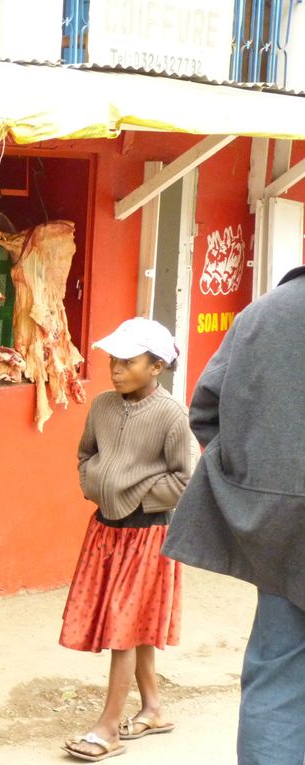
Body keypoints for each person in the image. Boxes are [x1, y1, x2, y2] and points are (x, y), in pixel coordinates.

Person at [162, 266, 305, 765]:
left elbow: (204, 411)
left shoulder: (263, 313)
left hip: (282, 530)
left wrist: (259, 481)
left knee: (278, 675)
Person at [59, 318, 199, 762]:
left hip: (147, 535)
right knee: (129, 622)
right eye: (113, 360)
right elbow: (86, 454)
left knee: (122, 627)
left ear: (157, 366)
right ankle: (153, 709)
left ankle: (107, 729)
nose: (116, 369)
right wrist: (96, 483)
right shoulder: (101, 406)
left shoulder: (172, 415)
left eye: (128, 361)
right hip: (105, 530)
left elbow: (184, 478)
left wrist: (134, 494)